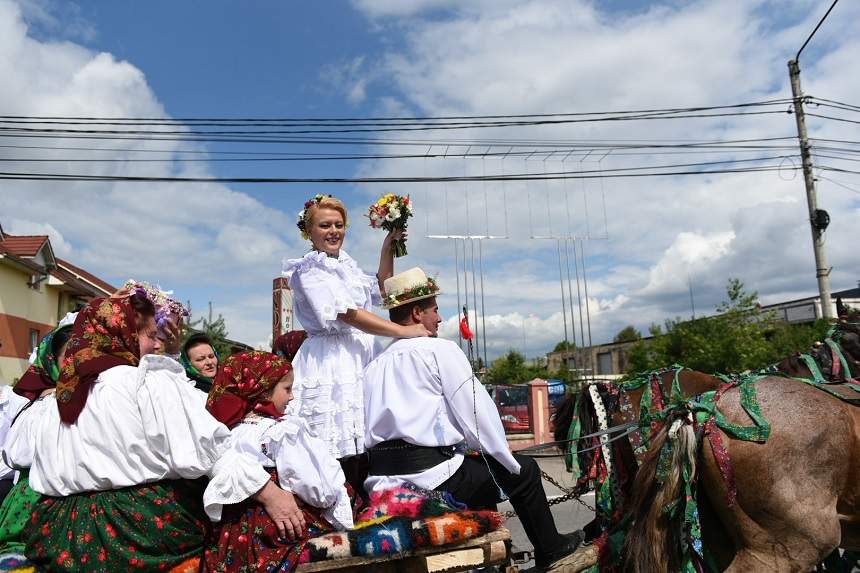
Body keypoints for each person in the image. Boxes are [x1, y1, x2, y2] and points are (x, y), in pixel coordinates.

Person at [6, 292, 295, 572]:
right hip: (136, 530)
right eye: (149, 335)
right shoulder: (145, 382)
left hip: (63, 536)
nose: (155, 345)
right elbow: (210, 450)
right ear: (122, 335)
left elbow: (20, 458)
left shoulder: (59, 398)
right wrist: (270, 494)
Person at [362, 268, 582, 570]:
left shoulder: (375, 364)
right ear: (416, 313)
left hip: (383, 480)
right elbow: (477, 412)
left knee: (479, 472)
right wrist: (500, 453)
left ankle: (494, 555)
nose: (440, 318)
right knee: (524, 472)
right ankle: (551, 549)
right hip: (434, 477)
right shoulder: (439, 349)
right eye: (435, 310)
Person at [281, 194, 429, 482]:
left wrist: (388, 244)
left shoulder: (347, 266)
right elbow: (347, 314)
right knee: (334, 439)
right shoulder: (308, 270)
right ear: (309, 232)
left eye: (339, 224)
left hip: (359, 353)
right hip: (331, 357)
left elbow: (383, 289)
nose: (333, 231)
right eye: (325, 225)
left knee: (366, 436)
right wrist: (403, 331)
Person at [204, 351, 352, 573]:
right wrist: (333, 497)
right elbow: (312, 487)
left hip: (237, 531)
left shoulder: (230, 431)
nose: (291, 397)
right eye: (287, 389)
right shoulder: (280, 431)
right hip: (279, 524)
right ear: (262, 390)